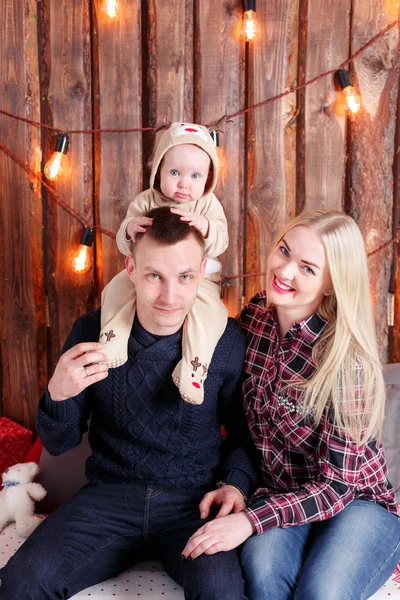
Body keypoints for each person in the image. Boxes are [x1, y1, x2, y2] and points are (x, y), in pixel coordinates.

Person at [0, 208, 257, 600]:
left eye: (185, 277)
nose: (170, 297)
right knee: (20, 582)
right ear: (131, 268)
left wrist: (235, 484)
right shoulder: (92, 330)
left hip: (193, 504)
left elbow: (243, 434)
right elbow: (59, 441)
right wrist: (57, 394)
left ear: (203, 270)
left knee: (222, 591)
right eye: (154, 275)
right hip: (108, 497)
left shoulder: (225, 340)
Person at [182, 209, 400, 600]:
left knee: (322, 591)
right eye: (284, 251)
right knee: (263, 575)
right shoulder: (254, 318)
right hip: (281, 493)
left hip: (354, 502)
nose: (284, 271)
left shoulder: (344, 361)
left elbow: (336, 487)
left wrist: (250, 522)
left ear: (332, 285)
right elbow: (237, 421)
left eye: (307, 268)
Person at [100, 121, 229, 406]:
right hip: (148, 273)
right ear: (159, 171)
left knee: (211, 314)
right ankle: (112, 339)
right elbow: (125, 243)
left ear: (208, 179)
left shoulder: (208, 206)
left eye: (196, 175)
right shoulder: (145, 201)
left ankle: (194, 369)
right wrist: (130, 227)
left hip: (198, 277)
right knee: (115, 290)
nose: (184, 183)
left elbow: (221, 242)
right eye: (175, 172)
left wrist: (207, 227)